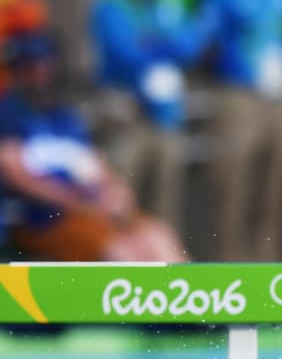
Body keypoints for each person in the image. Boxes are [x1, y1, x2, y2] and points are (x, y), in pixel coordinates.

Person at [0, 32, 185, 262]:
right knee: (123, 253)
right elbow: (17, 173)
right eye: (30, 67)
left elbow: (94, 163)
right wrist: (80, 201)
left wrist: (114, 191)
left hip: (93, 207)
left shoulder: (64, 115)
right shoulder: (8, 115)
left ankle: (175, 295)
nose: (40, 74)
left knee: (157, 236)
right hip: (48, 218)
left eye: (44, 66)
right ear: (17, 71)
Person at [90, 0, 204, 235]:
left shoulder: (164, 2)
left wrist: (154, 44)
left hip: (166, 115)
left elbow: (190, 44)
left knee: (165, 203)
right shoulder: (111, 4)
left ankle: (163, 272)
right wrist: (162, 46)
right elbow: (122, 52)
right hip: (129, 114)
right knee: (121, 198)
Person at [201, 0, 282, 261]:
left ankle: (268, 268)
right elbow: (206, 36)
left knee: (272, 190)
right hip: (240, 96)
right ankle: (230, 269)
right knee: (233, 188)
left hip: (277, 97)